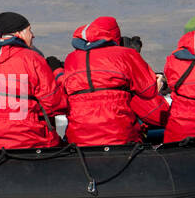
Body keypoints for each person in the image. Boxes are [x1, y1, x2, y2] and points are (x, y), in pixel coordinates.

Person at [58, 16, 167, 146]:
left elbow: (58, 101)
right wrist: (154, 84)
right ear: (115, 35)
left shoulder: (71, 59)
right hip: (120, 137)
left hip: (78, 138)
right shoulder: (126, 55)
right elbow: (149, 94)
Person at [0, 11, 66, 149]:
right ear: (18, 33)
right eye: (29, 30)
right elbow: (54, 104)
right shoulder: (33, 59)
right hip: (30, 140)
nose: (33, 35)